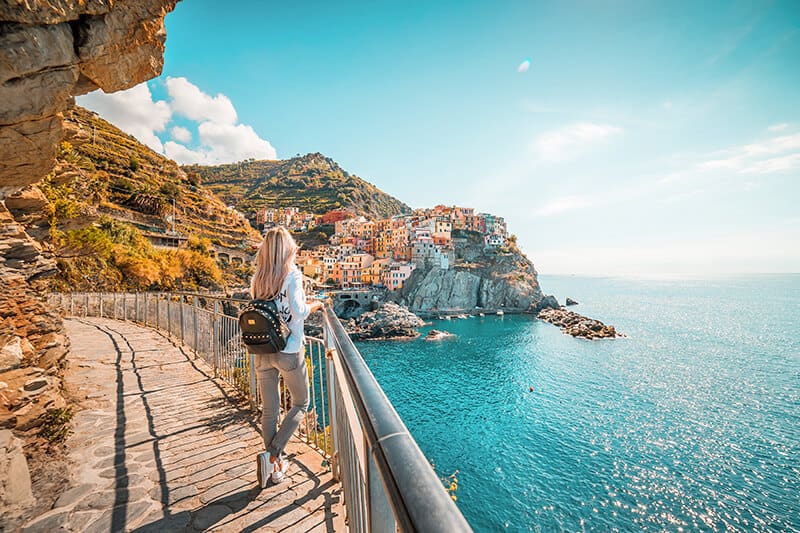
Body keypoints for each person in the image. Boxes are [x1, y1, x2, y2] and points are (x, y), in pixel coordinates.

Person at [251, 226, 323, 487]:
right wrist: (317, 304)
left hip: (261, 349)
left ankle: (273, 467)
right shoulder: (292, 274)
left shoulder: (258, 277)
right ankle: (272, 456)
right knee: (301, 402)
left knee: (270, 410)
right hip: (289, 349)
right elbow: (300, 312)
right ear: (287, 248)